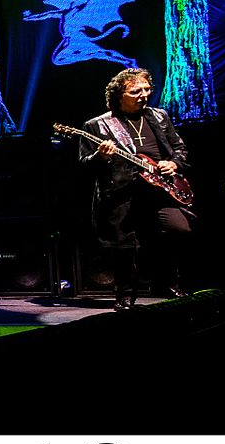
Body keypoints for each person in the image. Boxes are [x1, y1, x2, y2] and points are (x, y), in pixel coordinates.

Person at [77, 68, 193, 310]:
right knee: (125, 246)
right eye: (135, 91)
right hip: (122, 192)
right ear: (119, 95)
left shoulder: (159, 116)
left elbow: (179, 149)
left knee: (177, 228)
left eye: (147, 89)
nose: (144, 95)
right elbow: (85, 165)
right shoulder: (98, 125)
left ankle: (168, 281)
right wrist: (101, 157)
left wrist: (173, 163)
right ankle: (125, 294)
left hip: (160, 188)